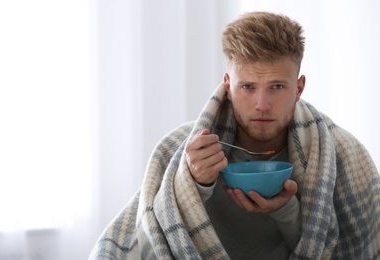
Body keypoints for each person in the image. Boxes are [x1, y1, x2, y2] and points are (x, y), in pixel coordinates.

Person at [89, 12, 380, 259]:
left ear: (299, 88)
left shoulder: (344, 153)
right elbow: (145, 242)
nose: (262, 105)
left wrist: (288, 211)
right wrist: (192, 184)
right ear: (228, 85)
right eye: (248, 87)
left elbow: (340, 250)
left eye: (277, 86)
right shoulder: (180, 150)